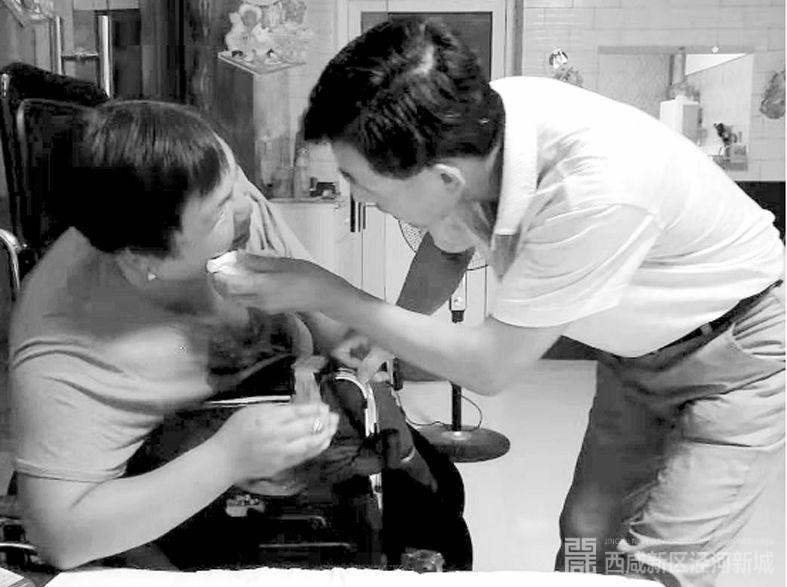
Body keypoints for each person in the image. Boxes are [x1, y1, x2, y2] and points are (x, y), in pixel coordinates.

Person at [208, 18, 786, 586]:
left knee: (659, 567)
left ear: (444, 180)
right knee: (586, 530)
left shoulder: (593, 192)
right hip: (634, 356)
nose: (359, 197)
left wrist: (325, 291)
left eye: (366, 186)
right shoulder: (477, 131)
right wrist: (384, 333)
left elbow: (490, 365)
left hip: (738, 353)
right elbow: (447, 246)